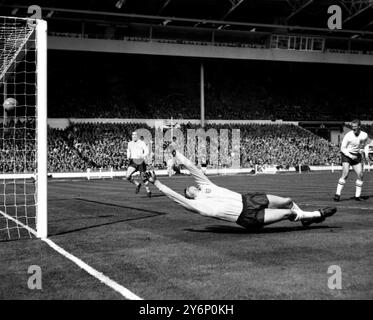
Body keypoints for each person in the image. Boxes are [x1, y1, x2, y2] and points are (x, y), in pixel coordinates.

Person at [144, 150, 337, 230]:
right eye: (188, 191)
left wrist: (177, 154)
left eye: (190, 187)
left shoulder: (206, 186)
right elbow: (176, 197)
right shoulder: (196, 205)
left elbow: (192, 168)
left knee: (287, 200)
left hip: (249, 200)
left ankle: (307, 218)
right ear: (190, 197)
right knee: (287, 213)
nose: (190, 189)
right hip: (245, 218)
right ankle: (314, 215)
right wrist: (157, 183)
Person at [334, 120, 370, 201]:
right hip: (346, 154)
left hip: (356, 155)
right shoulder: (348, 135)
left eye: (355, 127)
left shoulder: (364, 135)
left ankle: (357, 196)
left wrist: (367, 155)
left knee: (360, 175)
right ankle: (337, 194)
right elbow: (342, 148)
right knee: (345, 174)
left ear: (359, 127)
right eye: (352, 127)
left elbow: (366, 144)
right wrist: (350, 155)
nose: (353, 128)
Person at [126, 132, 152, 197]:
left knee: (143, 178)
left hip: (140, 161)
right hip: (133, 161)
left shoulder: (141, 143)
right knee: (127, 176)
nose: (134, 137)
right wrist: (128, 156)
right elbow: (128, 150)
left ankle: (148, 191)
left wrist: (142, 155)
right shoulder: (129, 143)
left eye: (135, 136)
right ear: (131, 136)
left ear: (137, 136)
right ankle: (137, 184)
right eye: (133, 136)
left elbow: (147, 151)